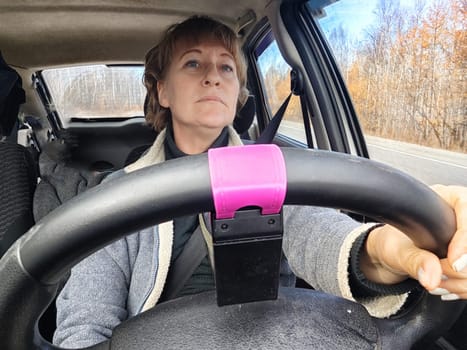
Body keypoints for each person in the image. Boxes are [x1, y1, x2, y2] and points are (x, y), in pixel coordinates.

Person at [53, 15, 467, 348]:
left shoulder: (275, 173)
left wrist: (388, 248)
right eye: (193, 63)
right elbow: (84, 325)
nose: (213, 76)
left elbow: (318, 234)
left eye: (226, 67)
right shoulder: (119, 197)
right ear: (163, 92)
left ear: (237, 94)